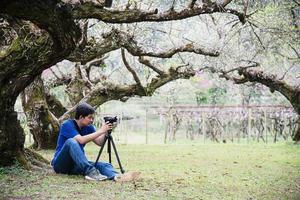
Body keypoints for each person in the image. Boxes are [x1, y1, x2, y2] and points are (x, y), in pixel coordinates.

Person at [51, 102, 139, 181]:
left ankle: (117, 176)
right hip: (61, 164)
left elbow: (100, 142)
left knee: (104, 165)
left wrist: (106, 131)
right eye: (90, 118)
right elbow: (80, 140)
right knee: (71, 141)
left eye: (93, 118)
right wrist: (100, 130)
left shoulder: (89, 127)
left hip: (76, 164)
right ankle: (91, 172)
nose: (92, 120)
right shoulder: (67, 125)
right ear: (81, 117)